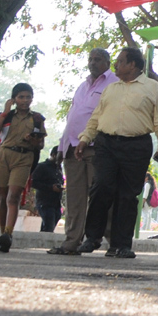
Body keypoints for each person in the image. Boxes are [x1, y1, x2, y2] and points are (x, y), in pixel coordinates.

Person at [75, 47, 158, 259]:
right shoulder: (111, 89)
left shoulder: (153, 88)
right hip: (106, 144)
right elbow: (96, 117)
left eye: (119, 61)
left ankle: (120, 245)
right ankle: (92, 238)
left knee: (127, 196)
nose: (115, 65)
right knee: (101, 188)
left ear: (133, 65)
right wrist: (84, 139)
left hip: (136, 146)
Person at [50, 48, 118, 255]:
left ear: (107, 62)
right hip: (72, 148)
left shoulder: (114, 83)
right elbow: (72, 117)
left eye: (97, 59)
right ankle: (71, 242)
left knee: (101, 197)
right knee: (74, 198)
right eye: (90, 59)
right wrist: (62, 147)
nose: (93, 63)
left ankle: (113, 242)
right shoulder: (82, 86)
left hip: (96, 148)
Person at [0, 82, 47, 252]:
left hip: (24, 156)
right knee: (2, 195)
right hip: (4, 154)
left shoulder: (36, 118)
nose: (25, 100)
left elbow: (40, 144)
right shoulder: (6, 116)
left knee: (13, 196)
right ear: (14, 99)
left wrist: (34, 140)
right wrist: (5, 111)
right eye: (21, 97)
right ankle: (2, 236)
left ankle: (8, 233)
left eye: (28, 97)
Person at [31, 147, 64, 233]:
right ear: (53, 155)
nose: (62, 160)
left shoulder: (58, 169)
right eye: (60, 157)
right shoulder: (42, 167)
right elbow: (33, 182)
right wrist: (50, 187)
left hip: (56, 203)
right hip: (45, 202)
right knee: (49, 226)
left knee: (48, 226)